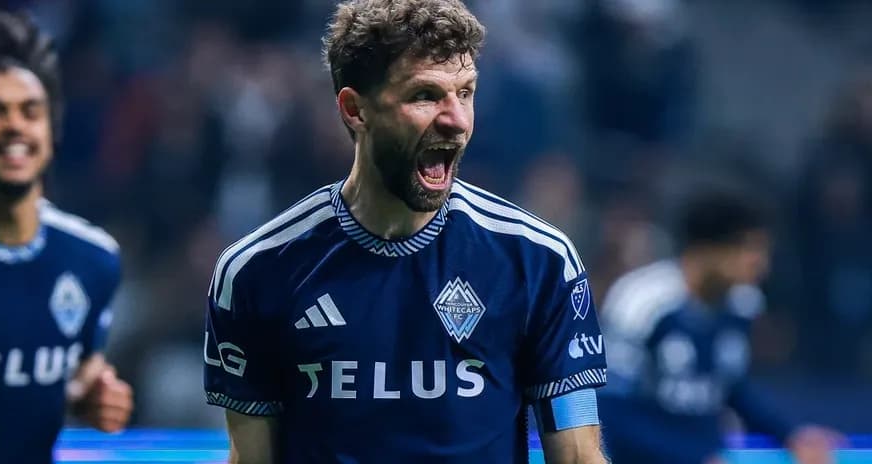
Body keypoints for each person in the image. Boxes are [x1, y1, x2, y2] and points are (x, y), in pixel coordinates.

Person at [203, 1, 609, 463]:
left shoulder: (539, 262)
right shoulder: (257, 272)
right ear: (355, 110)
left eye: (466, 92)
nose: (457, 120)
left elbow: (578, 457)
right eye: (425, 95)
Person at [0, 2, 133, 463]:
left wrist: (88, 396)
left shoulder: (94, 258)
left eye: (30, 111)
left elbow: (79, 369)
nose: (14, 125)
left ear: (50, 134)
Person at [597, 189, 843, 464]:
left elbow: (730, 386)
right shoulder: (642, 302)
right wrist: (690, 459)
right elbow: (608, 412)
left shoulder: (743, 303)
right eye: (749, 249)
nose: (761, 263)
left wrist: (791, 435)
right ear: (705, 251)